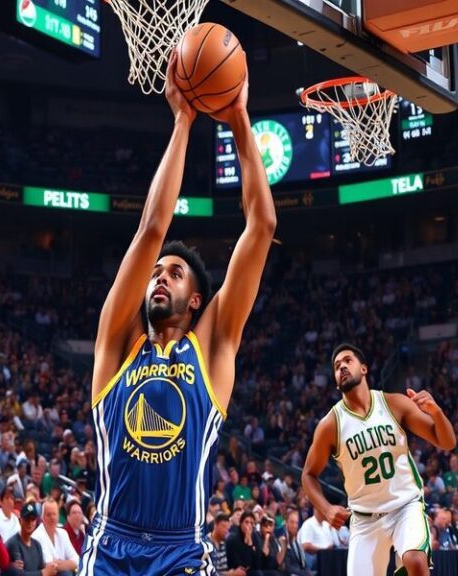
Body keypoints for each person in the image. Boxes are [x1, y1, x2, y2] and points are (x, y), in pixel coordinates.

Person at [77, 51, 275, 576]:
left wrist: (239, 120)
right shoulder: (118, 342)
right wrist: (183, 120)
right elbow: (151, 228)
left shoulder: (212, 347)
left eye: (174, 273)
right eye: (156, 272)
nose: (159, 275)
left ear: (195, 301)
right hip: (110, 543)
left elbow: (261, 226)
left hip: (181, 549)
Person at [302, 343, 456, 576]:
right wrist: (326, 509)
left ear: (364, 368)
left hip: (405, 506)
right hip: (365, 519)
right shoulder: (330, 425)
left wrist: (436, 412)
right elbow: (308, 475)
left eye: (347, 361)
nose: (342, 366)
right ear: (335, 380)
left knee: (414, 560)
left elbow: (447, 442)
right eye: (336, 366)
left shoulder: (393, 404)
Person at [5, 502, 56, 576]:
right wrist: (43, 573)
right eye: (27, 519)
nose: (30, 523)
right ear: (20, 521)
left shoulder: (37, 545)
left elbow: (41, 568)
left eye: (33, 519)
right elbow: (19, 574)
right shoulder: (13, 543)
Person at [31, 500, 77, 576]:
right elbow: (48, 565)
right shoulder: (37, 536)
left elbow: (77, 560)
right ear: (42, 517)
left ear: (58, 516)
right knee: (66, 573)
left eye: (54, 514)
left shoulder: (63, 533)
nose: (52, 517)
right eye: (48, 515)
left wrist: (58, 562)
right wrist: (67, 563)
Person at [279, 509, 308, 576]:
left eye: (296, 523)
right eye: (292, 522)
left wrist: (307, 573)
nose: (294, 526)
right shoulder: (282, 541)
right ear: (286, 523)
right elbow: (286, 567)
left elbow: (304, 564)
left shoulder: (297, 543)